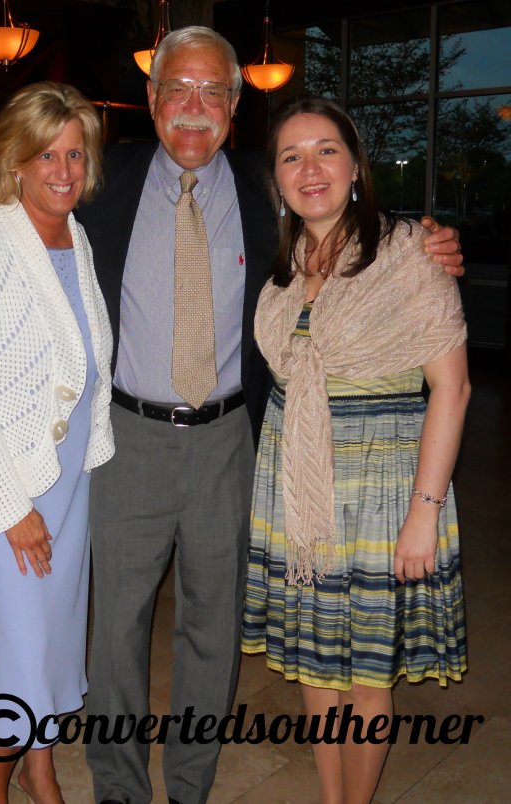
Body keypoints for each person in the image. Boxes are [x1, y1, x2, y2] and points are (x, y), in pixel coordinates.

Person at [0, 27, 464, 804]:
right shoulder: (100, 184)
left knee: (214, 630)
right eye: (178, 89)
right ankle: (118, 785)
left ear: (236, 106)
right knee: (113, 631)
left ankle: (188, 785)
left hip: (229, 444)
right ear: (150, 99)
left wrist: (430, 236)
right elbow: (22, 202)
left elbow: (343, 207)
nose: (194, 108)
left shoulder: (264, 184)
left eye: (214, 92)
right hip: (126, 441)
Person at [242, 96, 470, 804]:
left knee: (367, 679)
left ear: (356, 166)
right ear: (276, 177)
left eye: (326, 150)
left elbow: (453, 390)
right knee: (317, 673)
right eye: (291, 155)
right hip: (297, 490)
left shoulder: (408, 252)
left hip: (382, 488)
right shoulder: (284, 264)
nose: (310, 168)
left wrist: (423, 514)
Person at [0, 82, 114, 803]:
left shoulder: (79, 236)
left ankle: (42, 768)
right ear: (15, 161)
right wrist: (12, 508)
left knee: (55, 641)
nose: (64, 170)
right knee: (16, 653)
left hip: (69, 477)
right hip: (3, 479)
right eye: (46, 155)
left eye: (75, 152)